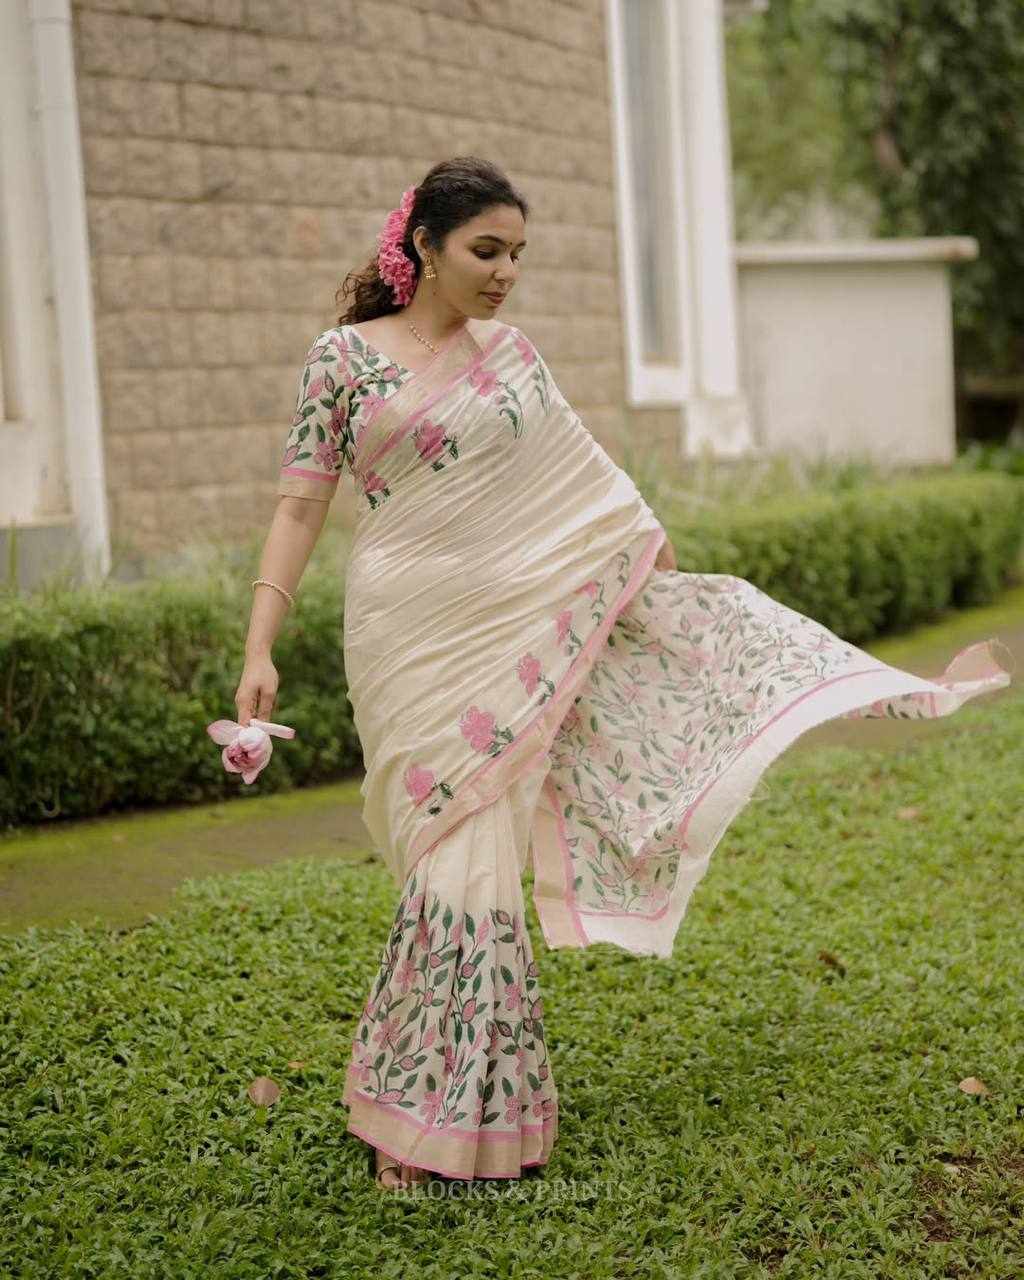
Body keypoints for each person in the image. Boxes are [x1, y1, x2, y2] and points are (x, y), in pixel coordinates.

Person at [234, 156, 1013, 1192]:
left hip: (512, 622)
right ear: (422, 244)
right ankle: (431, 1105)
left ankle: (433, 1118)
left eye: (518, 254)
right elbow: (299, 506)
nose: (506, 273)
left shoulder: (512, 358)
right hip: (406, 632)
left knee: (471, 870)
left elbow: (583, 475)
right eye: (486, 250)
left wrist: (646, 564)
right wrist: (260, 644)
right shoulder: (341, 360)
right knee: (437, 855)